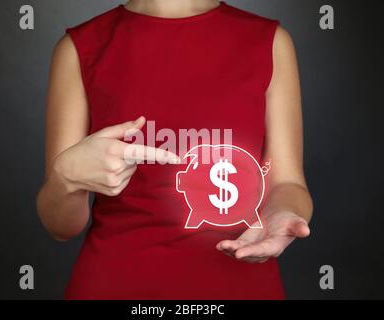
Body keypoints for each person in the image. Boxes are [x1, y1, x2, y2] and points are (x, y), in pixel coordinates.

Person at [36, 0, 313, 299]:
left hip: (241, 286)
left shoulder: (270, 42)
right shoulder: (80, 47)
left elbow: (287, 182)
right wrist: (68, 181)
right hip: (116, 284)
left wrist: (284, 213)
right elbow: (60, 227)